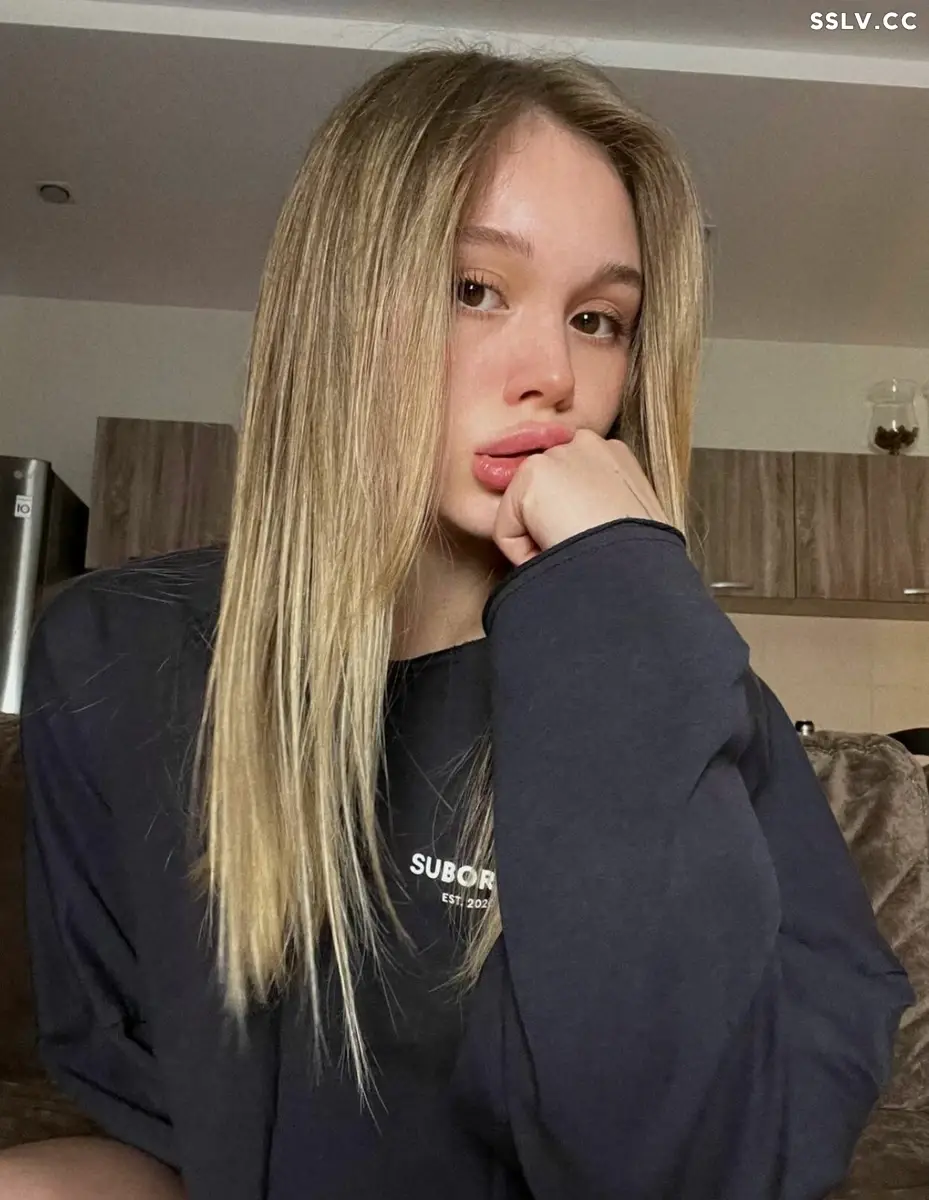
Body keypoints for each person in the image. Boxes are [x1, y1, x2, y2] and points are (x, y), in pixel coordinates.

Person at [0, 47, 912, 1200]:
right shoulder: (115, 653)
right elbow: (152, 1119)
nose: (553, 373)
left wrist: (620, 599)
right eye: (473, 289)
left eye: (597, 318)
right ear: (340, 309)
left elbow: (707, 1161)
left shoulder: (701, 705)